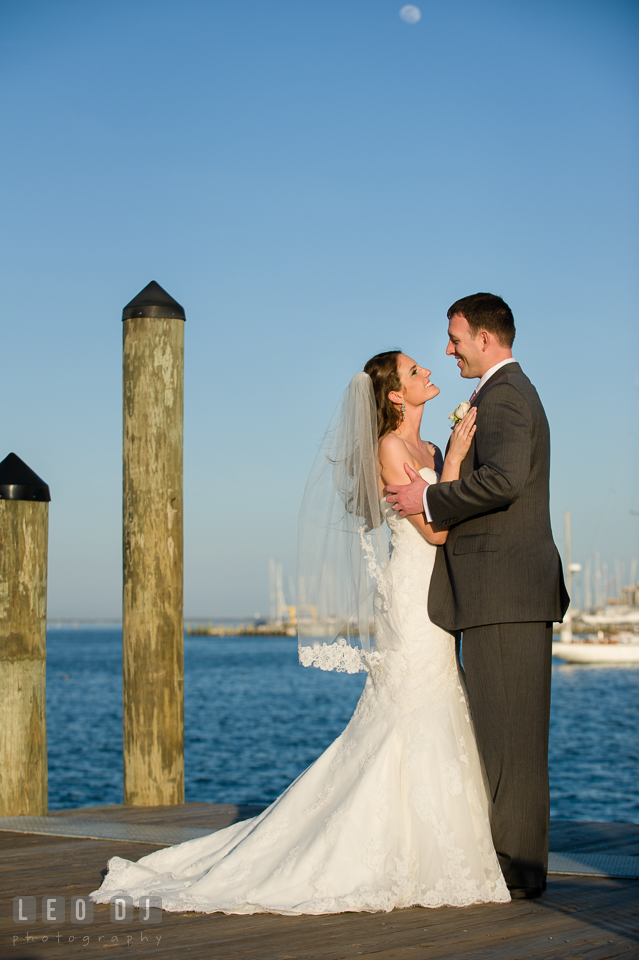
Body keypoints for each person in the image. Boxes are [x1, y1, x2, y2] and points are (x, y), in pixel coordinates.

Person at [91, 350, 510, 915]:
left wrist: (449, 457)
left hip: (435, 594)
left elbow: (445, 511)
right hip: (410, 594)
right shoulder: (391, 449)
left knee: (434, 703)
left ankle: (437, 846)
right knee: (412, 703)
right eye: (415, 372)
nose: (429, 373)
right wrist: (459, 456)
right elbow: (436, 532)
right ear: (393, 396)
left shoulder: (429, 449)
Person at [385, 293, 569, 900]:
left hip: (507, 594)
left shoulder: (507, 395)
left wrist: (431, 498)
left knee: (510, 741)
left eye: (455, 338)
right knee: (500, 737)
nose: (448, 349)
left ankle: (519, 874)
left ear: (485, 339)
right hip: (500, 595)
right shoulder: (497, 395)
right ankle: (513, 866)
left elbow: (507, 480)